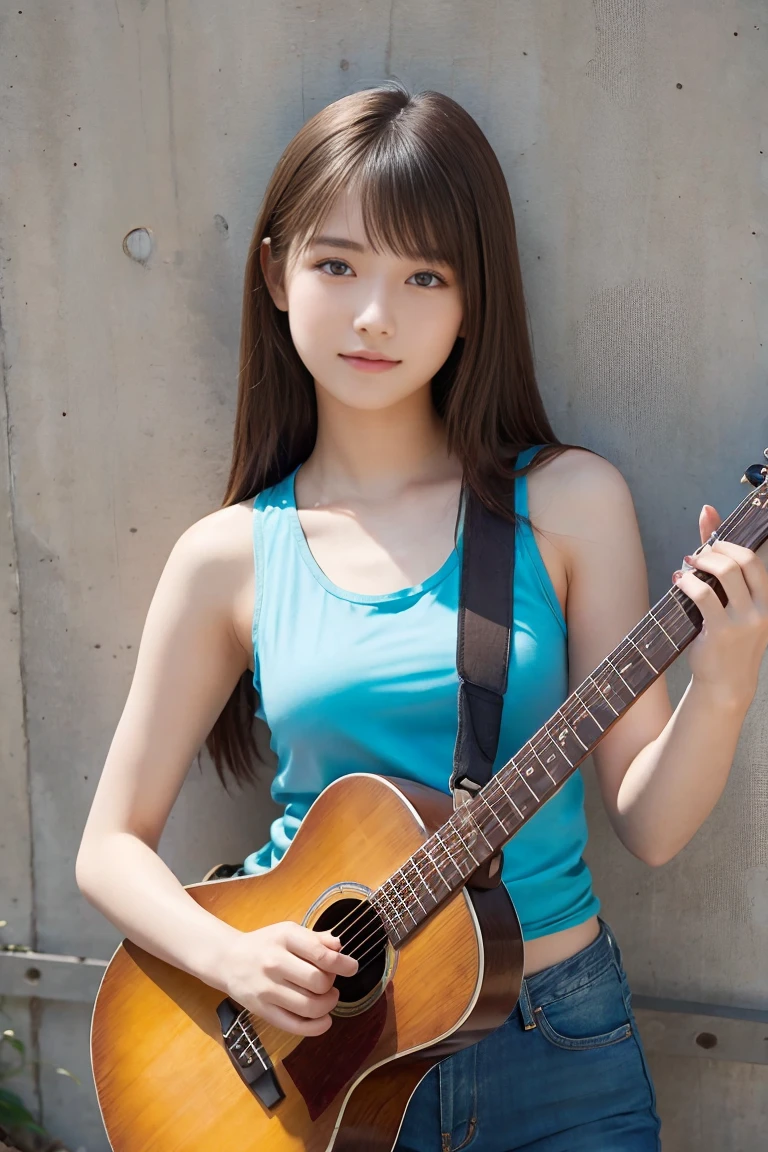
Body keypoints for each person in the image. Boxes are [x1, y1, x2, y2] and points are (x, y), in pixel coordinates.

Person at [76, 83, 768, 1151]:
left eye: (424, 276)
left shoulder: (571, 503)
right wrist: (235, 961)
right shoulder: (227, 557)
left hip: (556, 1047)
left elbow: (652, 824)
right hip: (305, 1062)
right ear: (274, 271)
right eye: (338, 263)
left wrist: (721, 685)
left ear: (472, 297)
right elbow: (109, 848)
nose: (373, 316)